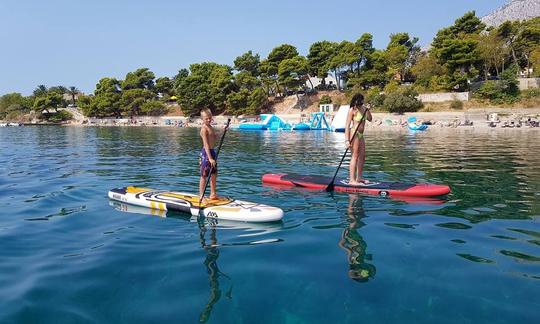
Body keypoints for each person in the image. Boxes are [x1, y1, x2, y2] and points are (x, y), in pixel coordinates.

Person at [199, 108, 227, 201]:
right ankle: (201, 195)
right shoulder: (204, 129)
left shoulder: (211, 127)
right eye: (206, 118)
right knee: (204, 175)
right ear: (202, 119)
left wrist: (223, 131)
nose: (208, 120)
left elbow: (214, 137)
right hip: (206, 154)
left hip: (212, 152)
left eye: (210, 118)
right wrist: (210, 158)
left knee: (214, 173)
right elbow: (206, 145)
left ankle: (213, 194)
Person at [344, 94, 372, 185]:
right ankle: (352, 180)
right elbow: (347, 126)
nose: (361, 103)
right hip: (354, 134)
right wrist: (347, 140)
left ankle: (359, 178)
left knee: (362, 156)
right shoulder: (352, 110)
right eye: (360, 101)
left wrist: (368, 110)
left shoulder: (364, 109)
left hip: (361, 135)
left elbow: (370, 119)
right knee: (355, 156)